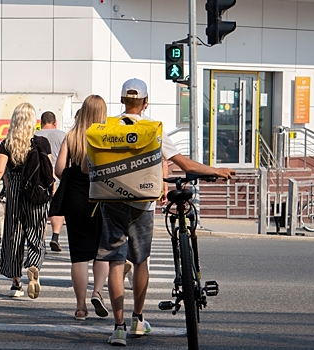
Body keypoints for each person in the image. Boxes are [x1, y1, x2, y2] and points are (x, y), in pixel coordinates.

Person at [98, 78, 235, 346]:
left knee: (116, 262)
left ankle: (118, 328)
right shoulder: (153, 129)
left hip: (111, 201)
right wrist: (215, 170)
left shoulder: (107, 129)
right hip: (142, 204)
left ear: (122, 100)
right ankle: (138, 319)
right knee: (140, 262)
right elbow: (182, 162)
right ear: (145, 102)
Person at [0, 102, 50, 299]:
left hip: (15, 191)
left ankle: (16, 283)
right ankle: (34, 265)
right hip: (37, 192)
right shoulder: (41, 143)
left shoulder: (6, 144)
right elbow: (48, 171)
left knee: (14, 235)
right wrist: (50, 195)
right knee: (36, 233)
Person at [54, 95, 110, 320]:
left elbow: (59, 170)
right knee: (102, 252)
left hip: (75, 199)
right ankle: (97, 291)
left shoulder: (72, 136)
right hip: (102, 198)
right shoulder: (107, 137)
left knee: (78, 256)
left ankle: (80, 307)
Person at [35, 111, 66, 252]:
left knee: (41, 208)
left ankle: (40, 239)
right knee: (57, 208)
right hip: (58, 176)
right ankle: (55, 236)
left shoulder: (35, 136)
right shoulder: (63, 136)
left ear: (41, 123)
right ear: (55, 123)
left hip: (39, 176)